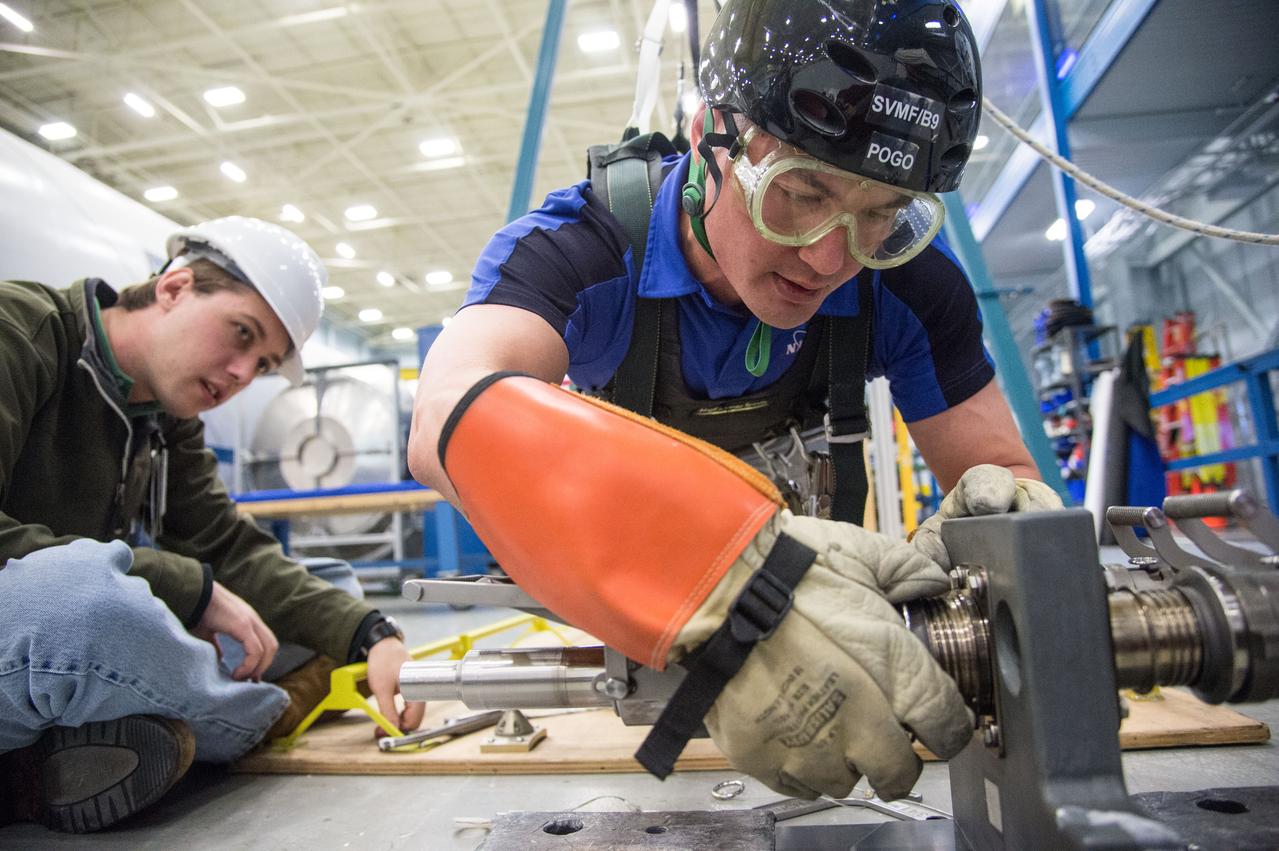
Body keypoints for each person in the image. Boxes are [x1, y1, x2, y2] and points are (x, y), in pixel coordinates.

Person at [407, 0, 1061, 801]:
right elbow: (450, 411)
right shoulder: (578, 249)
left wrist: (1013, 552)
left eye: (881, 215)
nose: (828, 259)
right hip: (642, 595)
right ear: (709, 137)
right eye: (801, 191)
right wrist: (723, 583)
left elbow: (997, 478)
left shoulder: (907, 282)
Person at [0, 216, 424, 834]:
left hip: (58, 658)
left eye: (262, 364)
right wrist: (182, 587)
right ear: (175, 287)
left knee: (331, 586)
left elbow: (227, 549)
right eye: (241, 334)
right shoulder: (22, 330)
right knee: (86, 600)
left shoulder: (165, 416)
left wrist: (372, 634)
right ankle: (258, 717)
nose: (240, 374)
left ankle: (78, 753)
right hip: (45, 623)